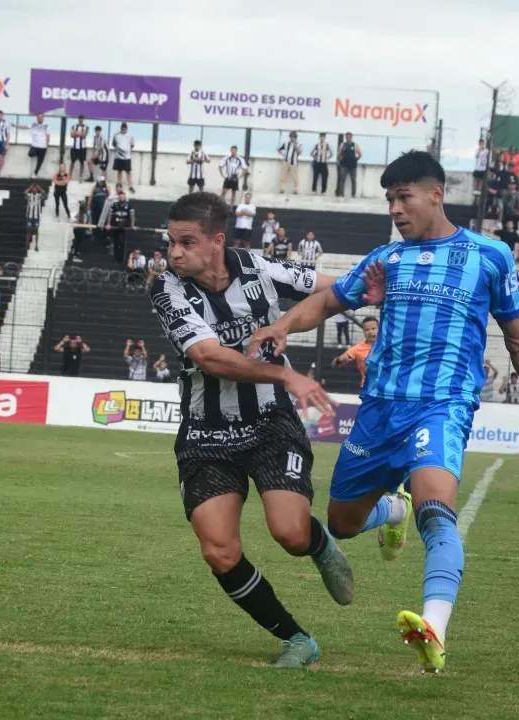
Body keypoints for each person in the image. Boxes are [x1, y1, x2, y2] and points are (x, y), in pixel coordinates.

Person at [249, 151, 519, 673]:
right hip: (380, 410)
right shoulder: (386, 259)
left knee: (436, 511)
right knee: (341, 524)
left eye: (404, 197)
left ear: (436, 194)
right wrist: (283, 325)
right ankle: (391, 511)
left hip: (442, 405)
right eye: (389, 199)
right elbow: (329, 301)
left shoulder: (489, 255)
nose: (395, 208)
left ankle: (434, 626)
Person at [149, 192, 356, 668]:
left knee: (291, 534)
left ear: (216, 241)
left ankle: (319, 543)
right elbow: (208, 357)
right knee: (219, 552)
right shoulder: (166, 288)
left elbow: (335, 288)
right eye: (171, 242)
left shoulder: (261, 268)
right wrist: (285, 374)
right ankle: (296, 639)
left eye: (186, 242)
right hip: (205, 431)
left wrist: (373, 296)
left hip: (269, 422)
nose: (174, 253)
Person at [330, 316, 378, 388]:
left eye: (373, 328)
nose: (370, 332)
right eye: (367, 330)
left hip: (389, 388)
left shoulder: (388, 345)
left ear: (379, 329)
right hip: (369, 388)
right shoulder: (357, 348)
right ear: (363, 332)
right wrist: (339, 360)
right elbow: (334, 365)